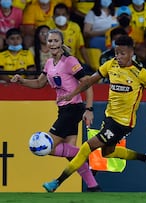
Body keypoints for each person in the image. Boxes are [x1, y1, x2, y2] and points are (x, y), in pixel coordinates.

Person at [41, 35, 146, 193]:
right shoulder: (111, 65)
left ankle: (57, 182)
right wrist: (72, 94)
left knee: (86, 147)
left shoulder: (141, 73)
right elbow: (89, 81)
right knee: (107, 152)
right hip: (109, 117)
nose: (118, 56)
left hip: (123, 123)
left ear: (132, 53)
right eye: (116, 52)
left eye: (122, 53)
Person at [10, 29, 101, 192]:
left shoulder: (70, 61)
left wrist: (89, 108)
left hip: (73, 109)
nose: (52, 44)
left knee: (45, 147)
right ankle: (94, 186)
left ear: (61, 43)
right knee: (70, 154)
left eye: (55, 41)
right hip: (63, 110)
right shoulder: (49, 63)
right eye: (49, 41)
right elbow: (39, 83)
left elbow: (87, 83)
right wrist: (21, 81)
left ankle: (88, 154)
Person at [47, 3, 94, 74]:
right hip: (55, 61)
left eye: (63, 15)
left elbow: (81, 47)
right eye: (58, 15)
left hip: (73, 61)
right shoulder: (48, 27)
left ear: (68, 16)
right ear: (53, 17)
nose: (61, 17)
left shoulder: (75, 27)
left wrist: (88, 64)